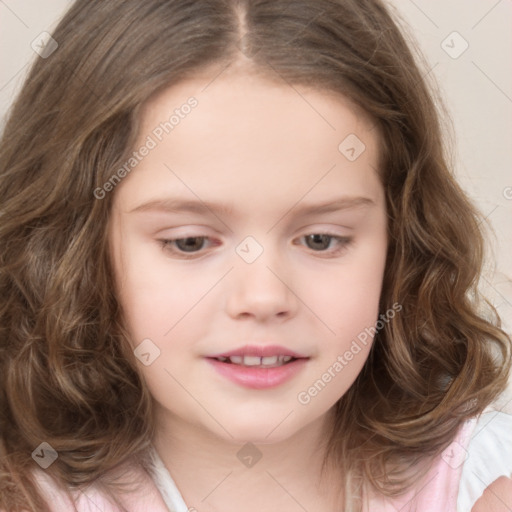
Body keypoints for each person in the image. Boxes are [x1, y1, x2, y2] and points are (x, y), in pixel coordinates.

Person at [0, 1, 511, 511]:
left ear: (400, 243)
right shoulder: (24, 492)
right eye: (190, 242)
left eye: (320, 239)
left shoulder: (487, 479)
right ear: (72, 250)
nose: (264, 298)